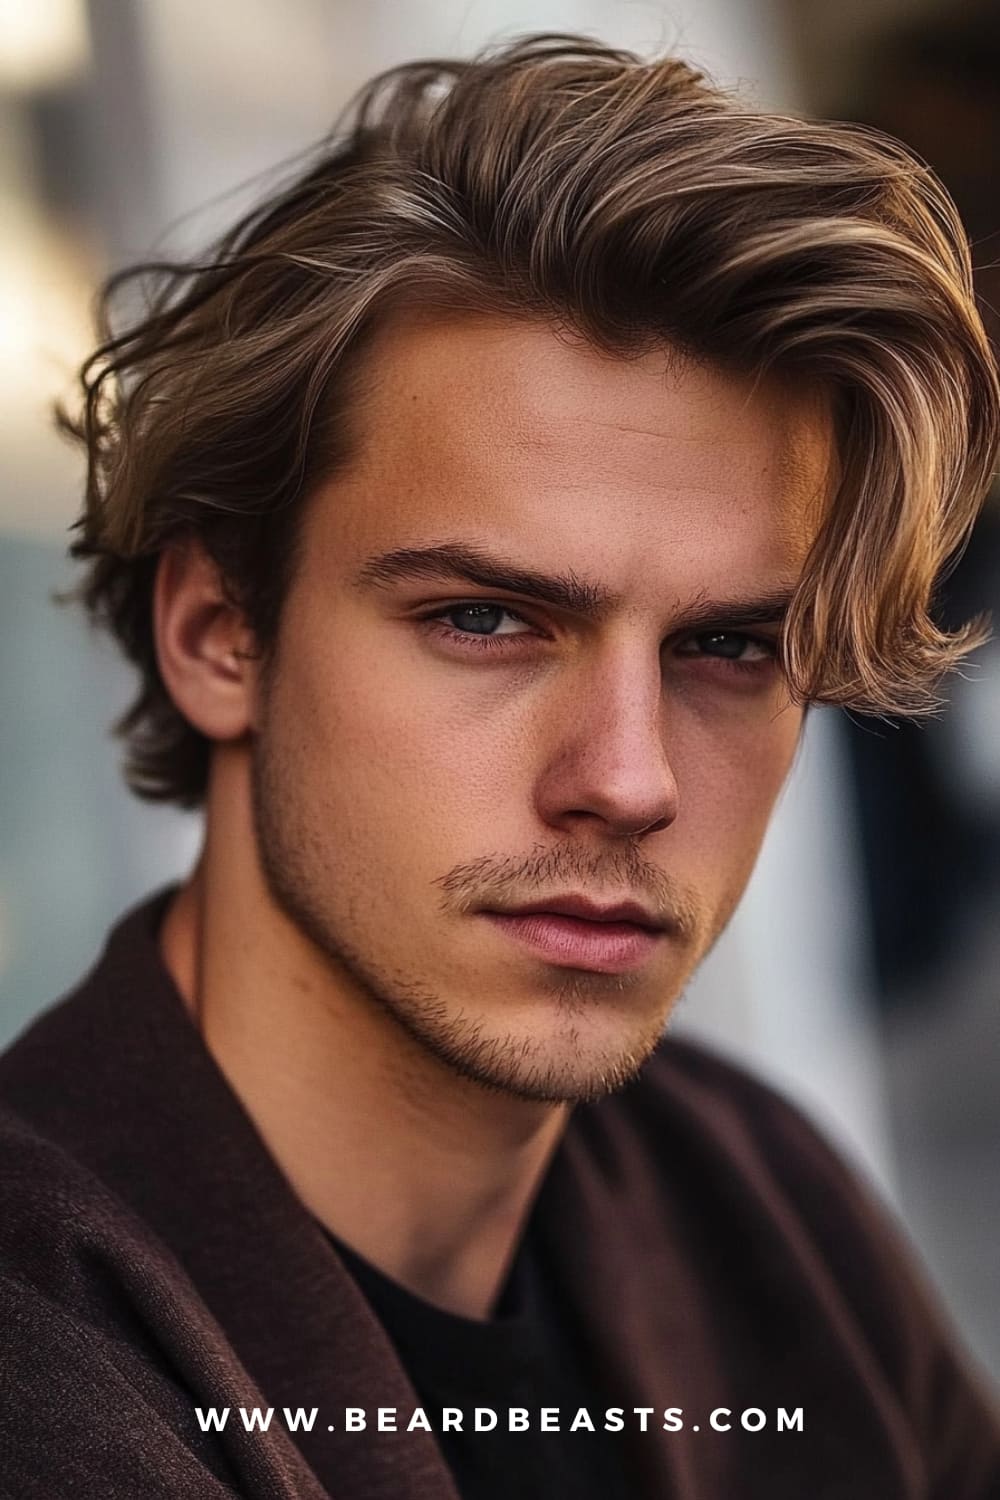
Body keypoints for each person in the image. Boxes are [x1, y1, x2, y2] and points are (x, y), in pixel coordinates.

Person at [1, 32, 998, 1500]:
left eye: (727, 648)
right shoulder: (48, 1360)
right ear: (218, 633)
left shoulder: (756, 1195)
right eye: (485, 618)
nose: (630, 778)